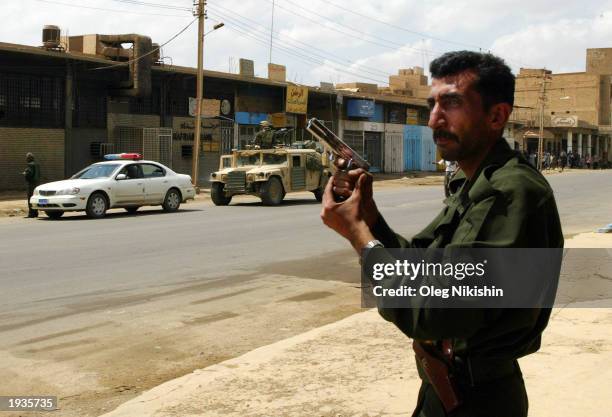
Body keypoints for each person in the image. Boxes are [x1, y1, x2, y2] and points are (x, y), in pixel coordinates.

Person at [321, 51, 563, 417]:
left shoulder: (509, 192)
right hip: (450, 387)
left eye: (452, 104)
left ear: (496, 116)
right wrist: (369, 216)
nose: (435, 118)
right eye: (432, 104)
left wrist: (359, 236)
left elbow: (433, 311)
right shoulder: (477, 183)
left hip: (477, 398)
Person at [22, 152, 41, 218]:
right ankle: (36, 212)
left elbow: (29, 174)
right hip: (37, 183)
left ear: (28, 158)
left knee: (30, 198)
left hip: (31, 184)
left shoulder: (30, 165)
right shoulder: (37, 164)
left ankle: (31, 213)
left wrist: (25, 174)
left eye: (26, 158)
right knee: (35, 198)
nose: (26, 159)